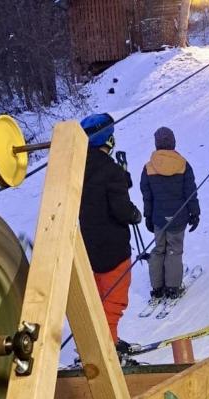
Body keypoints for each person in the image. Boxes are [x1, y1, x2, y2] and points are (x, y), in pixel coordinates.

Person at [78, 113, 142, 349]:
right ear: (108, 139)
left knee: (97, 299)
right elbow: (121, 209)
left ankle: (96, 342)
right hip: (113, 248)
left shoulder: (78, 168)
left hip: (89, 246)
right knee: (114, 300)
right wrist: (134, 214)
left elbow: (101, 187)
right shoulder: (110, 170)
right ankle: (106, 348)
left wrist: (121, 176)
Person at [140, 127, 200, 301]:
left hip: (159, 218)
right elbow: (190, 192)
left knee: (159, 249)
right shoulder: (183, 165)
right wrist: (195, 213)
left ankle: (157, 288)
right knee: (174, 250)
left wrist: (148, 217)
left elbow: (147, 196)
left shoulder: (148, 168)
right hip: (178, 217)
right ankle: (172, 288)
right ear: (173, 142)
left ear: (156, 144)